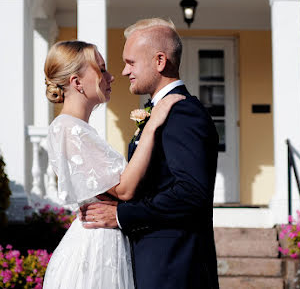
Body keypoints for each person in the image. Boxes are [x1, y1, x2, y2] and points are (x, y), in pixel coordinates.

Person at [81, 18, 220, 289]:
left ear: (159, 61)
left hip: (173, 268)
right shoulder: (159, 111)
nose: (123, 72)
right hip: (155, 263)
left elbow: (191, 193)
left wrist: (122, 215)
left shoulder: (183, 113)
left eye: (131, 62)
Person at [42, 40, 184, 288]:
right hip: (95, 249)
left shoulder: (80, 129)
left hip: (108, 241)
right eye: (101, 69)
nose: (112, 77)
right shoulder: (67, 129)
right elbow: (123, 190)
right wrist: (152, 126)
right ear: (77, 82)